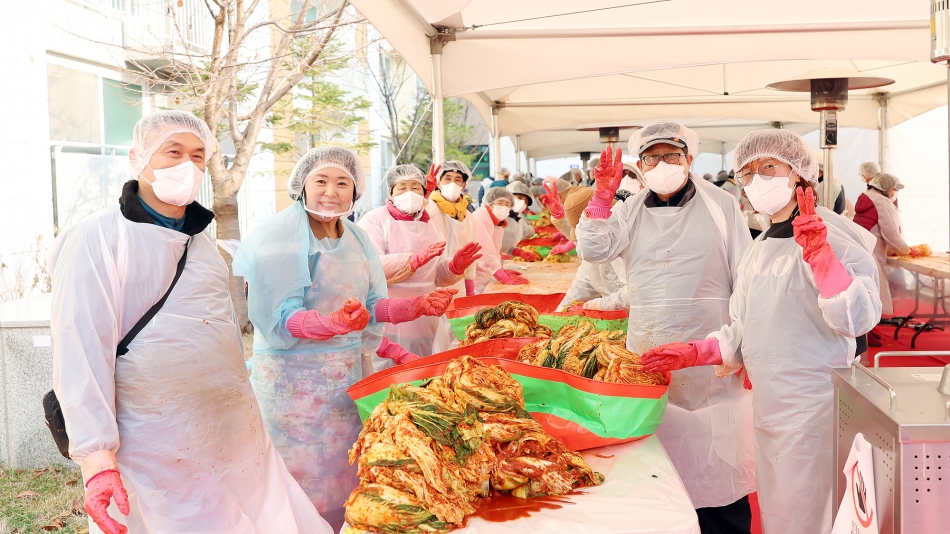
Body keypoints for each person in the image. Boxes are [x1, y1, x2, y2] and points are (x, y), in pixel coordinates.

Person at [49, 110, 332, 534]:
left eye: (198, 156)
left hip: (231, 428)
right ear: (137, 158)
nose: (188, 165)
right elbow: (80, 347)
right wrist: (96, 454)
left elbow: (219, 331)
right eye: (173, 152)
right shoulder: (98, 238)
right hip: (151, 438)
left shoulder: (200, 238)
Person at [642, 129, 881, 534]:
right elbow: (745, 328)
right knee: (779, 511)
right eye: (748, 173)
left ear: (801, 173)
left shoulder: (830, 234)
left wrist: (822, 259)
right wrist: (698, 352)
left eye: (769, 167)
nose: (758, 180)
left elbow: (858, 320)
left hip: (817, 409)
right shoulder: (760, 247)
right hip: (770, 408)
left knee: (814, 515)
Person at [233, 147, 456, 529]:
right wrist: (330, 323)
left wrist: (415, 306)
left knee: (342, 470)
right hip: (292, 387)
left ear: (356, 192)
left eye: (342, 183)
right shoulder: (279, 237)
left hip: (345, 382)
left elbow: (372, 305)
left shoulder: (356, 238)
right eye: (320, 181)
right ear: (301, 186)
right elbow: (278, 318)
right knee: (297, 482)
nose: (331, 191)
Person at [576, 122, 756, 534]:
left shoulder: (722, 204)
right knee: (659, 478)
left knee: (719, 480)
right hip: (649, 354)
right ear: (640, 165)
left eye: (671, 156)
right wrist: (602, 198)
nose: (662, 165)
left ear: (689, 159)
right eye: (651, 158)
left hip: (709, 354)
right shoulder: (630, 208)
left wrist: (737, 345)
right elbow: (594, 249)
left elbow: (745, 281)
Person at [359, 164, 480, 362]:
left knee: (423, 371)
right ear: (390, 191)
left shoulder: (429, 224)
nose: (409, 193)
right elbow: (369, 267)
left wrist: (454, 267)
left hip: (427, 315)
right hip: (388, 314)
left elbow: (436, 276)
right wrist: (412, 261)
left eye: (415, 187)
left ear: (424, 192)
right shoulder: (375, 220)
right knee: (389, 373)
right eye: (402, 187)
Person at [852, 172, 922, 316]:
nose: (895, 193)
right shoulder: (882, 202)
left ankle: (868, 324)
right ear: (887, 188)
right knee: (875, 287)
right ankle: (875, 321)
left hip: (859, 246)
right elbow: (891, 233)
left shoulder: (867, 196)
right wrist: (906, 249)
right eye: (894, 189)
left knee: (862, 288)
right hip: (871, 250)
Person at [554, 187, 628, 312]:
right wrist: (562, 309)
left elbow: (640, 292)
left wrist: (600, 304)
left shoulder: (634, 234)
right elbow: (585, 280)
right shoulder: (597, 243)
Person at [425, 160, 482, 297]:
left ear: (464, 185)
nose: (452, 184)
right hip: (430, 280)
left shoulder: (468, 217)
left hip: (457, 282)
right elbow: (413, 217)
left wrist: (469, 286)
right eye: (447, 179)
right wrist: (425, 194)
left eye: (458, 180)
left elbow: (471, 252)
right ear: (438, 183)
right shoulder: (430, 207)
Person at [473, 187, 528, 292]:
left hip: (483, 275)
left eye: (507, 204)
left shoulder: (497, 222)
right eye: (500, 202)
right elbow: (484, 252)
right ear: (490, 203)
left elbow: (494, 251)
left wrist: (500, 270)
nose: (503, 207)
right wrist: (502, 276)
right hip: (474, 278)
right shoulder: (481, 218)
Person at [503, 180, 537, 256]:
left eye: (525, 202)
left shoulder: (516, 217)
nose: (522, 203)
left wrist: (515, 251)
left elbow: (506, 243)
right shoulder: (497, 214)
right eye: (519, 198)